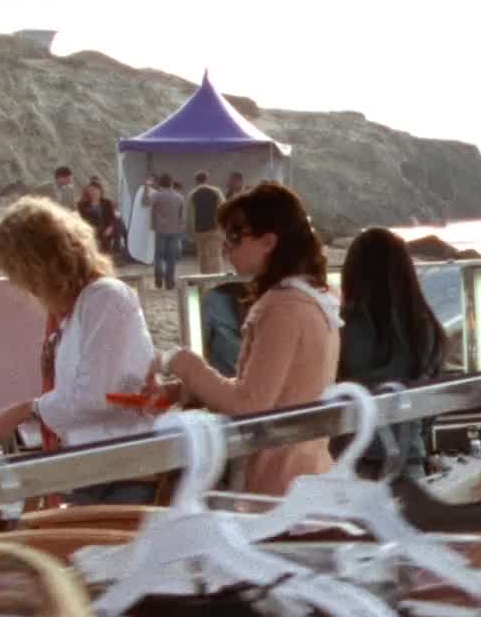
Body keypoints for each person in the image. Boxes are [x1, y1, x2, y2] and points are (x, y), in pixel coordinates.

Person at [145, 182, 340, 495]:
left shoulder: (283, 308)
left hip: (280, 483)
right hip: (306, 472)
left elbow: (249, 404)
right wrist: (185, 391)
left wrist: (182, 362)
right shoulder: (314, 298)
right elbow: (275, 390)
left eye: (235, 236)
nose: (226, 247)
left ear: (268, 241)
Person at [0, 196, 157, 505]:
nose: (22, 288)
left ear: (38, 267)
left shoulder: (105, 298)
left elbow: (95, 396)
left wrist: (25, 410)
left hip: (122, 473)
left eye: (19, 275)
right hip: (101, 470)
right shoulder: (80, 309)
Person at [337, 228, 447, 476]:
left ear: (352, 273)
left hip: (351, 462)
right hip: (410, 460)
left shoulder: (343, 327)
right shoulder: (425, 327)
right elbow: (431, 406)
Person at [142, 173, 187, 291]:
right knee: (171, 257)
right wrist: (181, 229)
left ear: (160, 183)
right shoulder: (179, 197)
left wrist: (146, 187)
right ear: (172, 183)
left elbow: (145, 203)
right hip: (175, 230)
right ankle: (169, 280)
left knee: (159, 255)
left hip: (160, 229)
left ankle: (158, 274)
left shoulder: (157, 195)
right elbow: (182, 216)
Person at [188, 171, 226, 274]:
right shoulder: (216, 191)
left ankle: (204, 278)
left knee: (203, 256)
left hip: (199, 230)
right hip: (215, 229)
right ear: (207, 179)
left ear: (196, 181)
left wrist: (190, 232)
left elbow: (190, 215)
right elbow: (224, 208)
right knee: (215, 255)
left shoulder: (192, 194)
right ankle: (216, 277)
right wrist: (224, 227)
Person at [76, 178, 126, 258]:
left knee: (116, 226)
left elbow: (112, 218)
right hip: (90, 228)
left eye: (95, 190)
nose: (93, 192)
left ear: (100, 191)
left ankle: (110, 252)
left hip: (105, 228)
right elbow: (81, 219)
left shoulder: (107, 203)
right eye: (91, 190)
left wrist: (110, 227)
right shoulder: (82, 204)